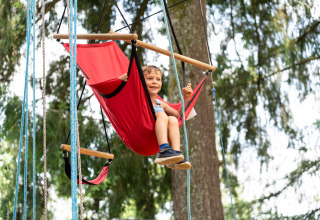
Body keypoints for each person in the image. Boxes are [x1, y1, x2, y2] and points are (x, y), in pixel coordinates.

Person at [119, 65, 193, 169]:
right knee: (162, 115)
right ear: (140, 81)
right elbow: (123, 93)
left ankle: (175, 156)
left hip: (155, 134)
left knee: (172, 119)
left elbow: (178, 115)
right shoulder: (139, 98)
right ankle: (163, 150)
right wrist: (124, 81)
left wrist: (186, 99)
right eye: (150, 78)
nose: (155, 82)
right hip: (141, 132)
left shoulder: (161, 104)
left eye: (158, 79)